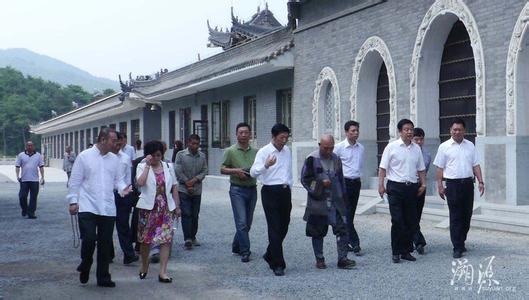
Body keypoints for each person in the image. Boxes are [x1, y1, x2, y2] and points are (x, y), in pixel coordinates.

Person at [67, 128, 131, 287]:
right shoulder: (84, 156)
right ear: (103, 140)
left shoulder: (115, 160)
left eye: (117, 141)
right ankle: (86, 263)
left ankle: (103, 277)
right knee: (88, 238)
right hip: (87, 205)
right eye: (113, 141)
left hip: (107, 207)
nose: (117, 144)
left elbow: (118, 180)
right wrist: (73, 201)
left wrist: (124, 189)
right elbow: (74, 181)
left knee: (105, 244)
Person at [301, 134, 356, 270]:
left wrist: (344, 199)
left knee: (342, 229)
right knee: (317, 231)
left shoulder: (336, 159)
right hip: (318, 202)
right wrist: (319, 183)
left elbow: (341, 179)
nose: (329, 151)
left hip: (336, 201)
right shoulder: (312, 159)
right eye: (326, 148)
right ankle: (319, 259)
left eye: (331, 148)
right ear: (320, 145)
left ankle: (342, 259)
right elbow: (305, 179)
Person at [433, 119, 484, 259]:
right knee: (455, 216)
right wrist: (440, 186)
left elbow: (476, 165)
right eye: (454, 129)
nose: (457, 132)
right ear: (450, 130)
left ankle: (461, 241)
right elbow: (439, 168)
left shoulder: (470, 146)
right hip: (453, 185)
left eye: (459, 129)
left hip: (467, 184)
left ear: (464, 131)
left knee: (466, 215)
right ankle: (457, 246)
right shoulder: (444, 147)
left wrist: (480, 181)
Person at [378, 119, 426, 264]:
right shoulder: (391, 147)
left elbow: (421, 168)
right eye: (406, 129)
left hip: (411, 188)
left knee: (411, 221)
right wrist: (381, 185)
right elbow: (382, 168)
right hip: (395, 187)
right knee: (397, 220)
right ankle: (396, 251)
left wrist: (423, 184)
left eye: (411, 129)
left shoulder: (416, 148)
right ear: (400, 131)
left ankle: (406, 251)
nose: (409, 132)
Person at [135, 140, 181, 283]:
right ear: (148, 155)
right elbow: (140, 183)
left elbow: (174, 187)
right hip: (148, 209)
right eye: (153, 156)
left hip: (165, 208)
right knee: (145, 240)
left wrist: (177, 207)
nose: (156, 158)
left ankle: (163, 272)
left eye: (159, 155)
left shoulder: (168, 166)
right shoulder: (141, 166)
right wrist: (148, 166)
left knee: (166, 239)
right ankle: (144, 265)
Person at [250, 123, 292, 276]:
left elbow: (288, 170)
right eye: (282, 137)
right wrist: (266, 165)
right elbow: (253, 172)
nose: (284, 140)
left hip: (285, 191)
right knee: (274, 226)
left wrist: (290, 186)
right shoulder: (264, 151)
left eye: (287, 137)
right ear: (273, 137)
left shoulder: (287, 150)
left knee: (284, 225)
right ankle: (278, 264)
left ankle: (270, 253)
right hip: (270, 191)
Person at [221, 123, 258, 263]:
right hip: (237, 190)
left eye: (246, 132)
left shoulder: (255, 152)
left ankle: (236, 245)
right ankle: (245, 251)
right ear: (236, 134)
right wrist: (236, 171)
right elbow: (222, 169)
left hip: (252, 189)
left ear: (250, 134)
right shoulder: (230, 151)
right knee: (241, 222)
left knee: (247, 223)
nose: (243, 135)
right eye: (241, 132)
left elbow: (258, 168)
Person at [333, 120, 364, 255]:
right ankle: (355, 242)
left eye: (357, 130)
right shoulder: (339, 148)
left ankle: (345, 242)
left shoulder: (361, 148)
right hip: (343, 183)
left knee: (350, 215)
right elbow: (332, 164)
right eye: (353, 131)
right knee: (345, 213)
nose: (355, 133)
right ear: (346, 132)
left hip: (356, 183)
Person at [174, 134, 208, 250]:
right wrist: (187, 182)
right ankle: (187, 238)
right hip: (183, 189)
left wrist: (195, 180)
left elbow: (204, 170)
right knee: (186, 213)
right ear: (188, 143)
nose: (195, 146)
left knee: (195, 214)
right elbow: (178, 170)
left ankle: (193, 236)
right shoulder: (181, 155)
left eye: (197, 144)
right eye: (193, 143)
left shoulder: (202, 156)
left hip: (197, 189)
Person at [113, 132, 139, 264]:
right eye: (116, 142)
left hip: (122, 195)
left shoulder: (125, 157)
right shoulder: (104, 157)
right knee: (105, 225)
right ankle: (108, 253)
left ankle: (128, 254)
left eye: (120, 142)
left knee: (123, 225)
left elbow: (128, 177)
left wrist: (128, 191)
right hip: (108, 194)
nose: (118, 145)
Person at [412, 128, 431, 255]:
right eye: (416, 139)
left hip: (420, 185)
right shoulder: (406, 151)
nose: (419, 142)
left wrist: (423, 184)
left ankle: (412, 239)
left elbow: (425, 171)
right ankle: (419, 241)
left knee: (417, 214)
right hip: (407, 185)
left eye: (421, 139)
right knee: (409, 215)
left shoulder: (427, 155)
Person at [15, 140, 45, 219]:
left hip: (34, 180)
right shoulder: (21, 155)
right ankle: (24, 209)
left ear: (33, 146)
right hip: (24, 180)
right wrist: (17, 176)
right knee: (22, 196)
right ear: (26, 146)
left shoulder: (38, 155)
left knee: (33, 197)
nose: (30, 147)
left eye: (31, 145)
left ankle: (31, 213)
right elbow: (17, 166)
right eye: (28, 145)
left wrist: (42, 177)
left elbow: (41, 167)